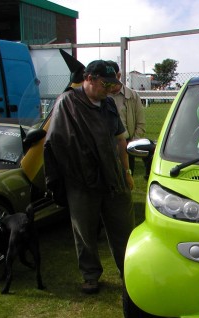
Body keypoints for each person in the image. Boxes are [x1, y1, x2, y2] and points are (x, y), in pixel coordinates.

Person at [45, 60, 135, 294]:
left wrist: (125, 171)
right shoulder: (67, 102)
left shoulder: (108, 105)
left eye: (112, 84)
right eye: (105, 84)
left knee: (123, 227)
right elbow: (57, 143)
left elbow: (119, 138)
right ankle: (90, 275)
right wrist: (77, 172)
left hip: (112, 176)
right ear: (90, 78)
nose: (109, 89)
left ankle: (130, 272)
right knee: (84, 230)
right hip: (81, 180)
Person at [106, 60, 148, 178]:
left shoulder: (132, 96)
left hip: (126, 145)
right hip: (106, 146)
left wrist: (131, 143)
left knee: (126, 181)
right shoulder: (101, 96)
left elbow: (141, 124)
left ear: (118, 76)